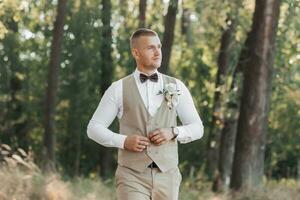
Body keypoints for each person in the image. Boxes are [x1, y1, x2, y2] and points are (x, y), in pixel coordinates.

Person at [87, 28, 204, 200]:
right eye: (150, 48)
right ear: (136, 52)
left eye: (159, 47)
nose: (158, 52)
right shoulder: (118, 88)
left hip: (168, 176)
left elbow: (197, 128)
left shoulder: (176, 86)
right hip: (131, 176)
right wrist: (124, 141)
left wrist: (173, 132)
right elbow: (94, 128)